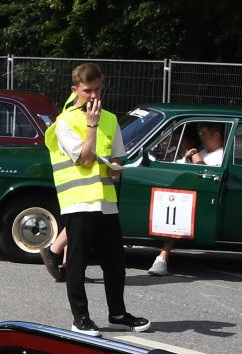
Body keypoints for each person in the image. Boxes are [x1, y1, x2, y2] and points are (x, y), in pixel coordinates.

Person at [41, 64, 148, 334]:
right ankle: (80, 319)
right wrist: (91, 125)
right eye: (88, 90)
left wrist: (117, 167)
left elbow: (115, 160)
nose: (94, 95)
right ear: (75, 89)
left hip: (105, 201)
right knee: (77, 262)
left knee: (115, 263)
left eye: (98, 89)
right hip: (78, 200)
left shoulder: (111, 119)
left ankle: (118, 314)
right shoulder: (65, 122)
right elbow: (86, 159)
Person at [147, 122, 225, 275]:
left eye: (204, 133)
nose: (201, 137)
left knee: (178, 208)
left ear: (215, 135)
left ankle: (162, 258)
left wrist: (194, 155)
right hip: (188, 193)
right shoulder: (204, 151)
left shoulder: (220, 154)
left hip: (203, 201)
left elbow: (205, 174)